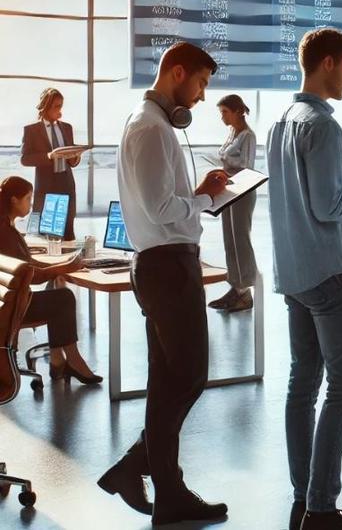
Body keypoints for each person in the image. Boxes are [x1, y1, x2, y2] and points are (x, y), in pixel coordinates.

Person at [98, 42, 230, 524]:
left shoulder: (149, 125)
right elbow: (163, 209)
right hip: (168, 267)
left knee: (168, 379)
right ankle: (141, 470)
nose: (200, 97)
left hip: (165, 263)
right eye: (200, 84)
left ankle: (163, 488)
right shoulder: (151, 129)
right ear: (178, 73)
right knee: (189, 375)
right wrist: (201, 197)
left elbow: (169, 204)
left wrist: (204, 197)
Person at [267, 27, 342, 530]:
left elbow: (298, 202)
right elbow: (328, 205)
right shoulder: (324, 126)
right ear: (329, 62)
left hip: (294, 273)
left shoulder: (280, 122)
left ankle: (303, 493)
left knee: (303, 385)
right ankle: (321, 508)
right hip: (332, 273)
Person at [0, 176, 101, 385]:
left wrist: (60, 265)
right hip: (13, 309)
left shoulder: (5, 226)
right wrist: (64, 267)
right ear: (13, 200)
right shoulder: (6, 232)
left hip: (8, 302)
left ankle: (58, 361)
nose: (30, 203)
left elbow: (26, 265)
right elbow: (32, 276)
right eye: (27, 198)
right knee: (63, 299)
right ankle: (71, 361)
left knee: (57, 299)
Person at [207, 94, 258, 313]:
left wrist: (225, 162)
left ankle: (245, 289)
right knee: (230, 238)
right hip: (228, 190)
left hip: (243, 191)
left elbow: (245, 164)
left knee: (241, 238)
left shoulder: (247, 136)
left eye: (224, 112)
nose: (222, 117)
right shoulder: (232, 133)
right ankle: (235, 286)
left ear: (238, 111)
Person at [21, 88, 82, 240]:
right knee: (43, 238)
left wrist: (76, 155)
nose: (59, 110)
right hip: (46, 189)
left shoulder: (67, 128)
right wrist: (49, 156)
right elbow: (25, 159)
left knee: (68, 236)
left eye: (61, 106)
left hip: (67, 187)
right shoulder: (32, 130)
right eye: (56, 106)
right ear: (45, 107)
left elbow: (72, 163)